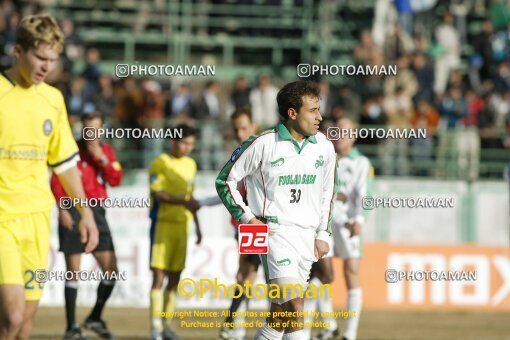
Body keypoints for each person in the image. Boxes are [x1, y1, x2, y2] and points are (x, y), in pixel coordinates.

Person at [0, 14, 98, 340]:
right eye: (40, 57)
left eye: (52, 60)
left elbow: (66, 163)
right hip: (2, 219)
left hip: (37, 220)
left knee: (24, 325)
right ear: (18, 51)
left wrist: (87, 215)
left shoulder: (53, 100)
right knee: (11, 316)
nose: (46, 67)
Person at [216, 80, 337, 340]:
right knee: (296, 307)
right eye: (313, 110)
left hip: (307, 237)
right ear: (292, 113)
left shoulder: (325, 147)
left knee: (279, 316)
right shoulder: (262, 143)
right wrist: (248, 218)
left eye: (319, 109)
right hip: (273, 234)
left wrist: (323, 233)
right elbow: (224, 181)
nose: (320, 116)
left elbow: (328, 193)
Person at [50, 112, 123, 340]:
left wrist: (102, 158)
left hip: (97, 213)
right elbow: (57, 178)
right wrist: (62, 207)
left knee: (111, 270)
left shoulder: (106, 151)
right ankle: (71, 327)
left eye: (96, 129)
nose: (92, 134)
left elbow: (115, 178)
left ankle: (94, 316)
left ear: (103, 130)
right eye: (88, 129)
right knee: (74, 271)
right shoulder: (71, 149)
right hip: (73, 209)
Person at [305, 118, 373, 340]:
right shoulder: (324, 155)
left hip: (347, 223)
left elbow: (364, 194)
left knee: (350, 272)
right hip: (323, 222)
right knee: (322, 272)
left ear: (353, 136)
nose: (339, 135)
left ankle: (349, 334)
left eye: (345, 132)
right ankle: (322, 325)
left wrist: (359, 220)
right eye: (336, 131)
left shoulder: (361, 162)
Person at [148, 124, 202, 340]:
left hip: (182, 226)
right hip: (162, 224)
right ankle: (155, 328)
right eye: (184, 143)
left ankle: (166, 324)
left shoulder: (191, 164)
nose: (187, 147)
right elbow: (158, 194)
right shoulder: (160, 162)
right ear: (173, 141)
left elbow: (191, 198)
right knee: (158, 276)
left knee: (175, 278)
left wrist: (198, 226)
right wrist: (184, 202)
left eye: (191, 144)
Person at [217, 109, 260, 340]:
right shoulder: (238, 154)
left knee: (251, 275)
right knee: (246, 275)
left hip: (270, 222)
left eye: (244, 127)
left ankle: (233, 323)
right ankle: (235, 325)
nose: (240, 133)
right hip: (250, 225)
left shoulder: (263, 148)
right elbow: (228, 188)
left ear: (254, 125)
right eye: (236, 129)